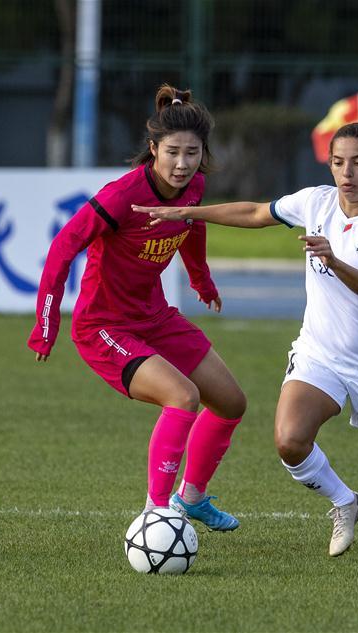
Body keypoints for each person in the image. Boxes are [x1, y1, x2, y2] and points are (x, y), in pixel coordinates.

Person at [133, 122, 358, 559]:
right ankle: (345, 502)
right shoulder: (317, 201)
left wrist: (333, 259)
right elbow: (255, 213)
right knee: (290, 440)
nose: (347, 173)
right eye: (338, 163)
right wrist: (189, 214)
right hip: (320, 354)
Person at [27, 84, 246, 531]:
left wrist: (201, 280)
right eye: (172, 153)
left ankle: (192, 498)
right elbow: (63, 248)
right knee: (182, 397)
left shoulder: (195, 187)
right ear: (153, 150)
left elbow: (193, 226)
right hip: (103, 326)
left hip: (156, 317)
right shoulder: (122, 195)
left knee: (230, 403)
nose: (182, 164)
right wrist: (45, 326)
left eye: (192, 153)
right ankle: (155, 513)